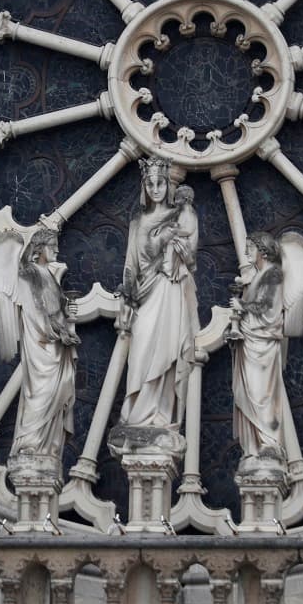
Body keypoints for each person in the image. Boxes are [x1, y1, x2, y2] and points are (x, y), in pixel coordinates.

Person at [117, 157, 199, 433]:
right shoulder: (137, 222)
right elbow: (130, 264)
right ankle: (138, 413)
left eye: (160, 183)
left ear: (168, 185)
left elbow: (190, 255)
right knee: (140, 354)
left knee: (166, 350)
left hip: (167, 287)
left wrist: (172, 245)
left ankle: (160, 415)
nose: (155, 189)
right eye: (149, 184)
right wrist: (127, 297)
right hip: (143, 294)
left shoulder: (180, 217)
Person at [230, 231, 303, 462]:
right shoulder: (258, 275)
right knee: (249, 393)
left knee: (261, 393)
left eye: (250, 248)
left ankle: (269, 442)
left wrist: (242, 305)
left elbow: (267, 307)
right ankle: (254, 445)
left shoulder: (273, 274)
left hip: (262, 341)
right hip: (251, 341)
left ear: (262, 250)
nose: (246, 253)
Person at [11, 229, 80, 459]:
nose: (58, 250)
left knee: (56, 390)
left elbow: (55, 308)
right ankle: (32, 440)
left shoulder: (49, 275)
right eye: (53, 245)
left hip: (56, 344)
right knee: (40, 392)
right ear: (39, 248)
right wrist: (56, 331)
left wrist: (66, 316)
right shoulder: (30, 273)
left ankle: (48, 443)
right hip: (41, 342)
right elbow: (34, 311)